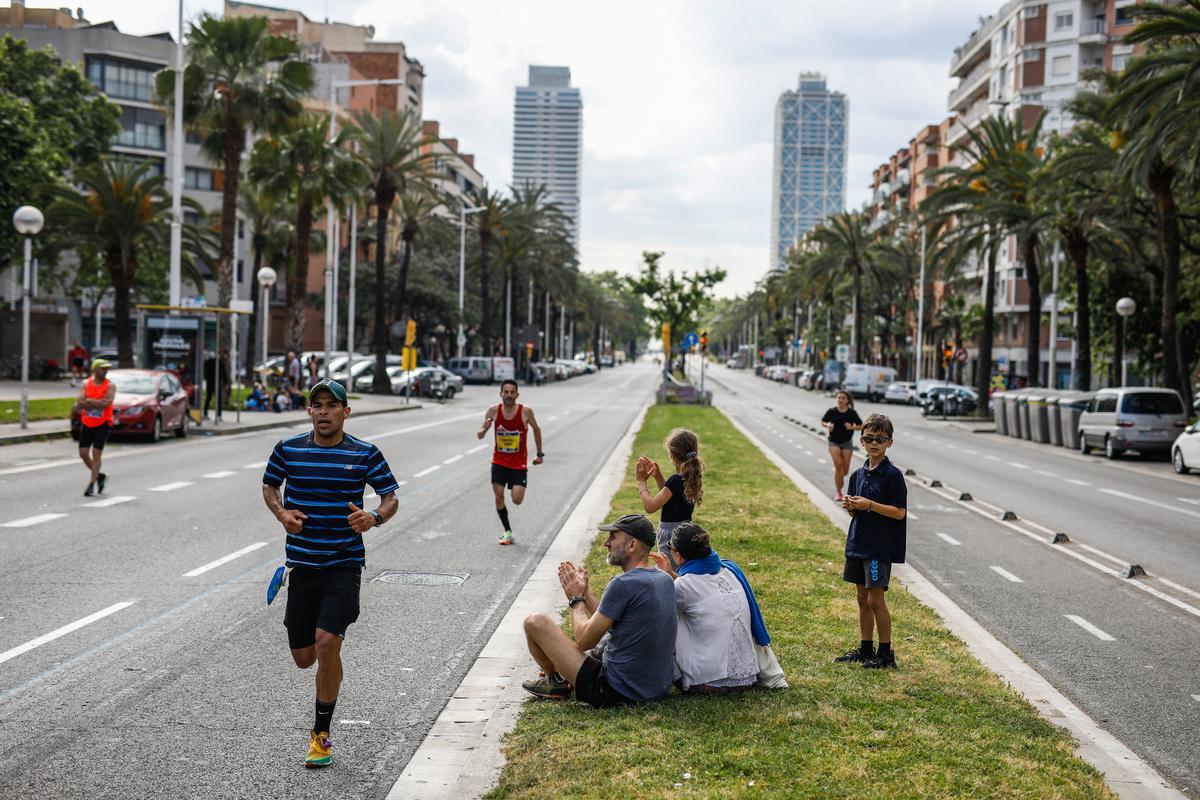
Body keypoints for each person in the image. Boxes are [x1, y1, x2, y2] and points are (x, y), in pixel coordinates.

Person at [260, 379, 400, 768]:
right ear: (309, 411)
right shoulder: (288, 450)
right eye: (316, 405)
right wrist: (282, 514)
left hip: (343, 563)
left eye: (331, 405)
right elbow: (270, 486)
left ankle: (320, 736)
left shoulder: (365, 453)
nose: (323, 411)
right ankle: (330, 667)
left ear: (345, 412)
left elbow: (390, 497)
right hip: (303, 566)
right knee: (304, 658)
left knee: (326, 643)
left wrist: (373, 517)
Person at [520, 513, 676, 707]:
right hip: (655, 689)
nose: (606, 543)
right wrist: (585, 593)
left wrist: (576, 600)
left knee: (535, 622)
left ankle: (555, 681)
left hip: (615, 690)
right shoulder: (665, 579)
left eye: (613, 536)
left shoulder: (623, 584)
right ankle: (559, 677)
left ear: (632, 545)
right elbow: (613, 619)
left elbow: (585, 640)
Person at [649, 522, 771, 695]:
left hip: (706, 684)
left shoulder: (684, 585)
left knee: (658, 630)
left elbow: (657, 614)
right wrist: (671, 574)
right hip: (747, 678)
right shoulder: (729, 570)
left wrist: (663, 577)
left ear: (677, 554)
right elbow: (698, 591)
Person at [837, 413, 907, 670]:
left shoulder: (892, 475)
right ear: (861, 441)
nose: (874, 443)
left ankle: (886, 653)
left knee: (876, 599)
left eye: (880, 438)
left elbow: (899, 512)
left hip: (879, 547)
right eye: (869, 438)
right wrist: (851, 507)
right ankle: (865, 648)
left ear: (890, 442)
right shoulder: (857, 474)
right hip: (858, 542)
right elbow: (858, 510)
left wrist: (870, 505)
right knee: (861, 598)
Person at [476, 379, 543, 545]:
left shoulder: (525, 412)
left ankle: (508, 528)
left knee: (517, 499)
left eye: (512, 392)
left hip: (518, 464)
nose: (509, 395)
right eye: (505, 392)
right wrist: (484, 428)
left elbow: (537, 429)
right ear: (500, 394)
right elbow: (479, 435)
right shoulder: (493, 411)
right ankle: (507, 531)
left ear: (517, 394)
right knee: (499, 497)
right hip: (498, 462)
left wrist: (539, 454)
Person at [635, 428, 703, 569]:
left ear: (672, 455)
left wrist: (641, 482)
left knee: (669, 571)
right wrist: (659, 477)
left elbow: (650, 506)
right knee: (681, 569)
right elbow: (672, 500)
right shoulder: (691, 477)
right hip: (685, 531)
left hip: (670, 536)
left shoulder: (676, 481)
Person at [76, 358, 116, 497]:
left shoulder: (110, 386)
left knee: (96, 454)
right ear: (95, 369)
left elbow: (106, 403)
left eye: (107, 368)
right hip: (87, 422)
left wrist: (90, 401)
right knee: (83, 453)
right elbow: (80, 402)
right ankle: (100, 476)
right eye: (102, 368)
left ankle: (91, 485)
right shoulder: (86, 383)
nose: (105, 371)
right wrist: (92, 403)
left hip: (103, 423)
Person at [821, 389, 863, 501]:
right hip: (833, 441)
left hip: (847, 443)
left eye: (843, 398)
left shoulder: (852, 413)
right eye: (839, 397)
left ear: (847, 400)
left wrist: (851, 427)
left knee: (844, 471)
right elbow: (823, 421)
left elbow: (861, 426)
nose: (840, 400)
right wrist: (827, 425)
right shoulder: (832, 411)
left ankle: (839, 478)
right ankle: (838, 492)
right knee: (838, 465)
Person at [202, 349, 231, 419]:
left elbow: (205, 372)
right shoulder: (219, 362)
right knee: (218, 399)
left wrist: (206, 378)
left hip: (210, 382)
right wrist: (226, 382)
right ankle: (219, 415)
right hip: (217, 382)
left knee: (208, 398)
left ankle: (205, 413)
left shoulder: (207, 362)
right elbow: (224, 372)